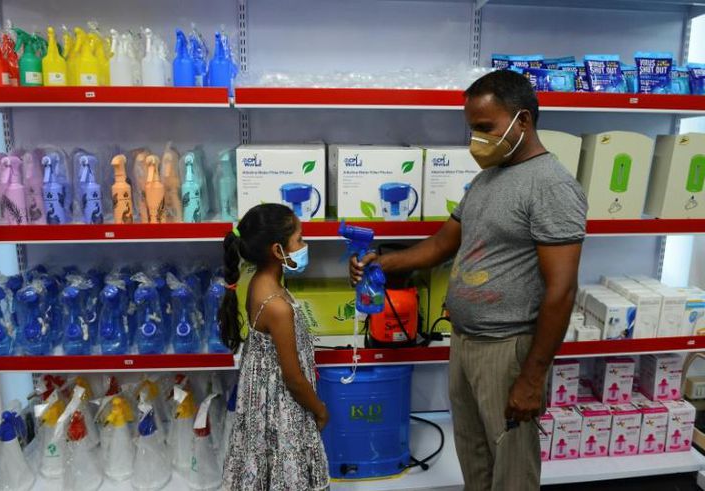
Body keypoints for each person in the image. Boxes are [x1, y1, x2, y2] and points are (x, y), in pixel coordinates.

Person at [350, 70, 587, 491]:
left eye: (484, 127)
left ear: (524, 121)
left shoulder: (551, 186)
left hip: (508, 350)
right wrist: (383, 263)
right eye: (472, 128)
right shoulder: (487, 179)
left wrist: (531, 379)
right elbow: (443, 244)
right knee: (475, 461)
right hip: (465, 344)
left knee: (511, 471)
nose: (475, 139)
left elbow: (562, 290)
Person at [221, 204, 330, 491]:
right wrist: (320, 410)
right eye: (299, 240)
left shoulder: (258, 283)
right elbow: (293, 380)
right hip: (282, 409)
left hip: (261, 404)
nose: (304, 245)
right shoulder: (278, 308)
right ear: (277, 251)